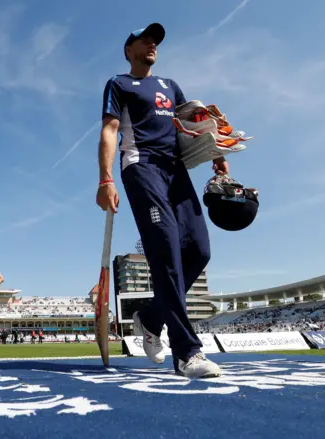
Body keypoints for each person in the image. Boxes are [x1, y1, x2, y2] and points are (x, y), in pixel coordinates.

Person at [96, 23, 225, 378]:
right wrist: (105, 178)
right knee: (165, 249)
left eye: (156, 40)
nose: (152, 43)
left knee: (199, 251)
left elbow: (192, 126)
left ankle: (151, 317)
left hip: (176, 169)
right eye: (145, 39)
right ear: (128, 49)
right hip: (141, 166)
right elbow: (109, 130)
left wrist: (216, 151)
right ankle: (187, 353)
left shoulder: (170, 86)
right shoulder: (119, 84)